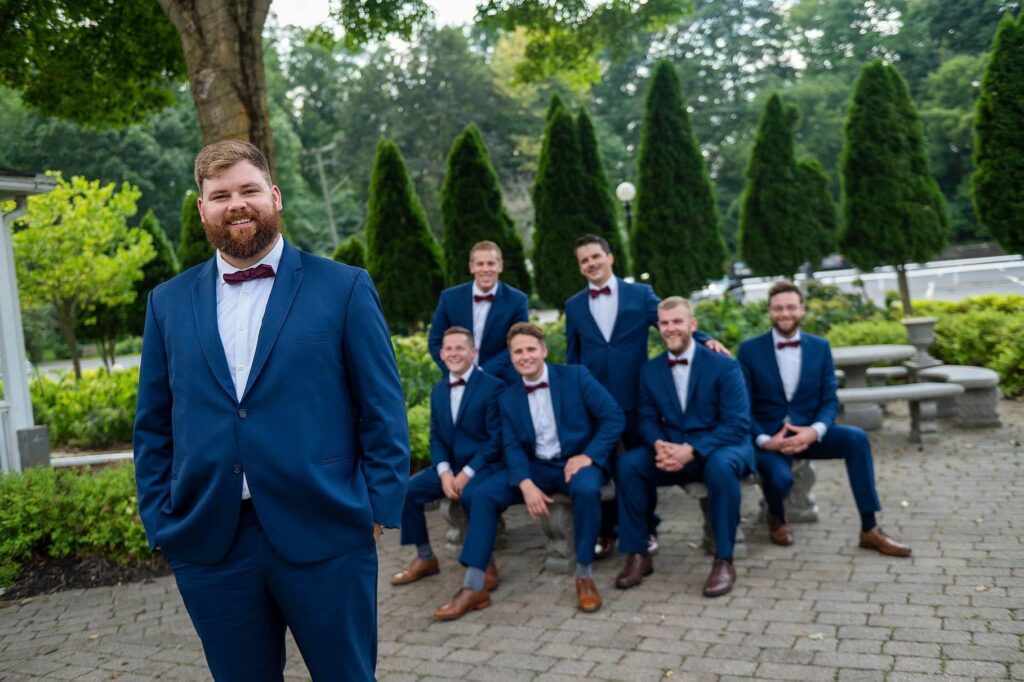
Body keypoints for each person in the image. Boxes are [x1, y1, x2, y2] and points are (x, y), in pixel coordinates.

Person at [133, 140, 409, 681]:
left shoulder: (344, 287)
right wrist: (161, 520)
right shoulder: (166, 302)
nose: (236, 204)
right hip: (211, 543)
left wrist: (375, 510)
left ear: (275, 196)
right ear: (202, 209)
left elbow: (383, 407)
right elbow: (153, 422)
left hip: (327, 531)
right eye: (220, 195)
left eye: (248, 190)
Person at [434, 322, 624, 619]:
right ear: (511, 358)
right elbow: (511, 447)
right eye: (518, 352)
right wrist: (524, 482)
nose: (525, 356)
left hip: (574, 462)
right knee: (482, 493)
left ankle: (584, 575)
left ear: (544, 350)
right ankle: (474, 585)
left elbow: (613, 417)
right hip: (534, 467)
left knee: (587, 490)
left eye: (530, 349)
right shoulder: (508, 397)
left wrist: (589, 456)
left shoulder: (576, 377)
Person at [564, 234, 728, 558]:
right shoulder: (574, 305)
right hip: (596, 402)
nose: (591, 263)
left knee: (640, 465)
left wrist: (706, 340)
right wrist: (574, 398)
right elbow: (573, 356)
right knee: (606, 466)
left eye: (596, 256)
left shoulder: (639, 295)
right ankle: (608, 532)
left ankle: (647, 527)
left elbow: (669, 324)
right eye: (584, 260)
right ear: (580, 267)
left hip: (636, 398)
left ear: (610, 258)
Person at [737, 280, 911, 557]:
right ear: (769, 311)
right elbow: (743, 405)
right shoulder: (749, 350)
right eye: (778, 308)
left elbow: (830, 399)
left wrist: (814, 432)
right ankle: (777, 517)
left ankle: (870, 528)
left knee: (856, 439)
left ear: (802, 309)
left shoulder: (820, 347)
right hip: (771, 438)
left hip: (809, 432)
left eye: (791, 307)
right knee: (780, 479)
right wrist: (764, 440)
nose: (785, 313)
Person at [614, 297, 754, 598]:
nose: (670, 328)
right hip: (674, 450)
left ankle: (724, 559)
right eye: (664, 323)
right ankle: (639, 553)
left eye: (677, 321)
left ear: (692, 325)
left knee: (720, 467)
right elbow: (647, 419)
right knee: (628, 465)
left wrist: (691, 450)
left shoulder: (724, 366)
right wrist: (659, 444)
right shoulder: (650, 370)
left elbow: (737, 424)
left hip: (723, 446)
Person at [390, 326, 504, 588]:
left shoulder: (493, 387)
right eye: (448, 348)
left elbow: (495, 439)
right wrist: (443, 472)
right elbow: (436, 437)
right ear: (441, 354)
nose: (454, 353)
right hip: (449, 467)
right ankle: (425, 557)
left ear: (472, 352)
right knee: (407, 491)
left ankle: (485, 563)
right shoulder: (439, 390)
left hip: (483, 466)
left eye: (460, 348)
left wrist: (466, 473)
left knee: (474, 496)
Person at [428, 241, 529, 384]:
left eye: (491, 264)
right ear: (471, 267)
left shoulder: (517, 300)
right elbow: (435, 341)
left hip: (500, 381)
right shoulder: (449, 298)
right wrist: (456, 370)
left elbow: (518, 344)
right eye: (480, 264)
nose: (485, 269)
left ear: (500, 266)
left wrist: (480, 374)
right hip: (457, 381)